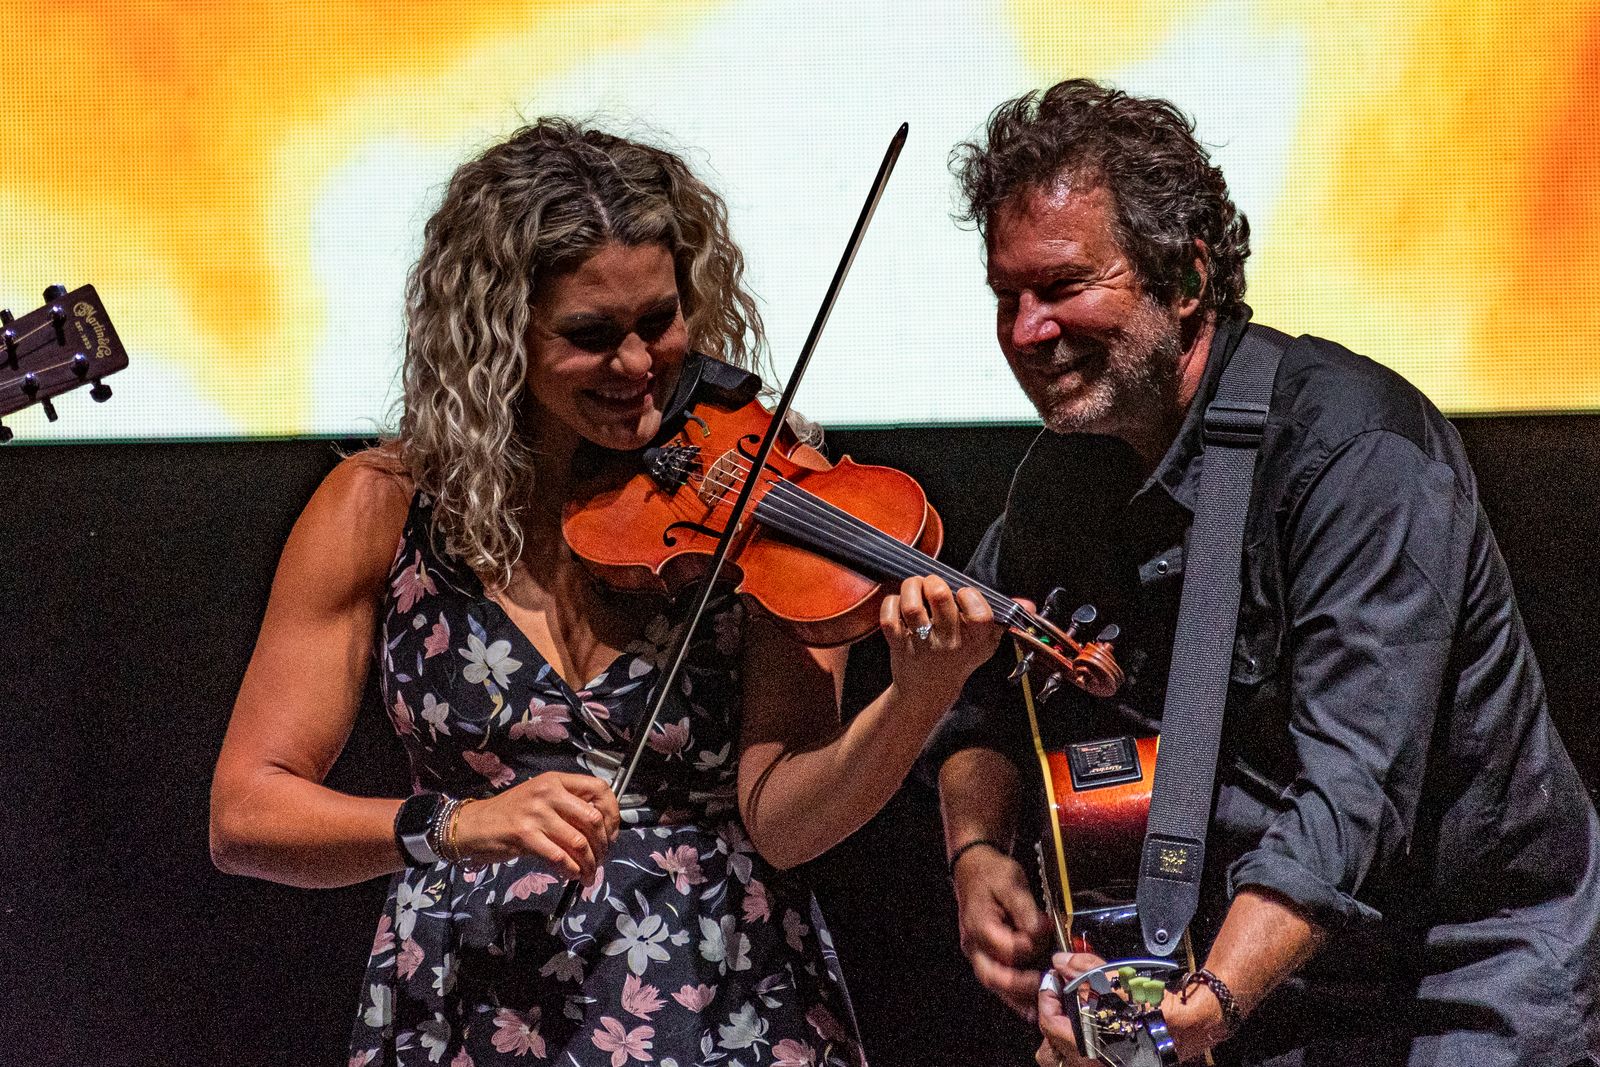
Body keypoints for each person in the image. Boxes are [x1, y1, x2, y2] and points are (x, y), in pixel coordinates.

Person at [209, 120, 1000, 1067]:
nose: (636, 366)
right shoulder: (380, 507)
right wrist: (457, 823)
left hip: (720, 998)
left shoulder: (763, 491)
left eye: (659, 322)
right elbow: (247, 815)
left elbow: (788, 823)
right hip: (470, 1004)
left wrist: (916, 698)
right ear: (498, 337)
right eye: (590, 336)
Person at [928, 80, 1600, 1067]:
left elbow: (1348, 789)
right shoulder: (1065, 475)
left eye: (1064, 286)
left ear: (1186, 278)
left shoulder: (1357, 453)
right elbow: (983, 697)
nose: (1027, 329)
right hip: (1233, 974)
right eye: (1007, 296)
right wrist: (977, 851)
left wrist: (1198, 1010)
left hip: (1451, 982)